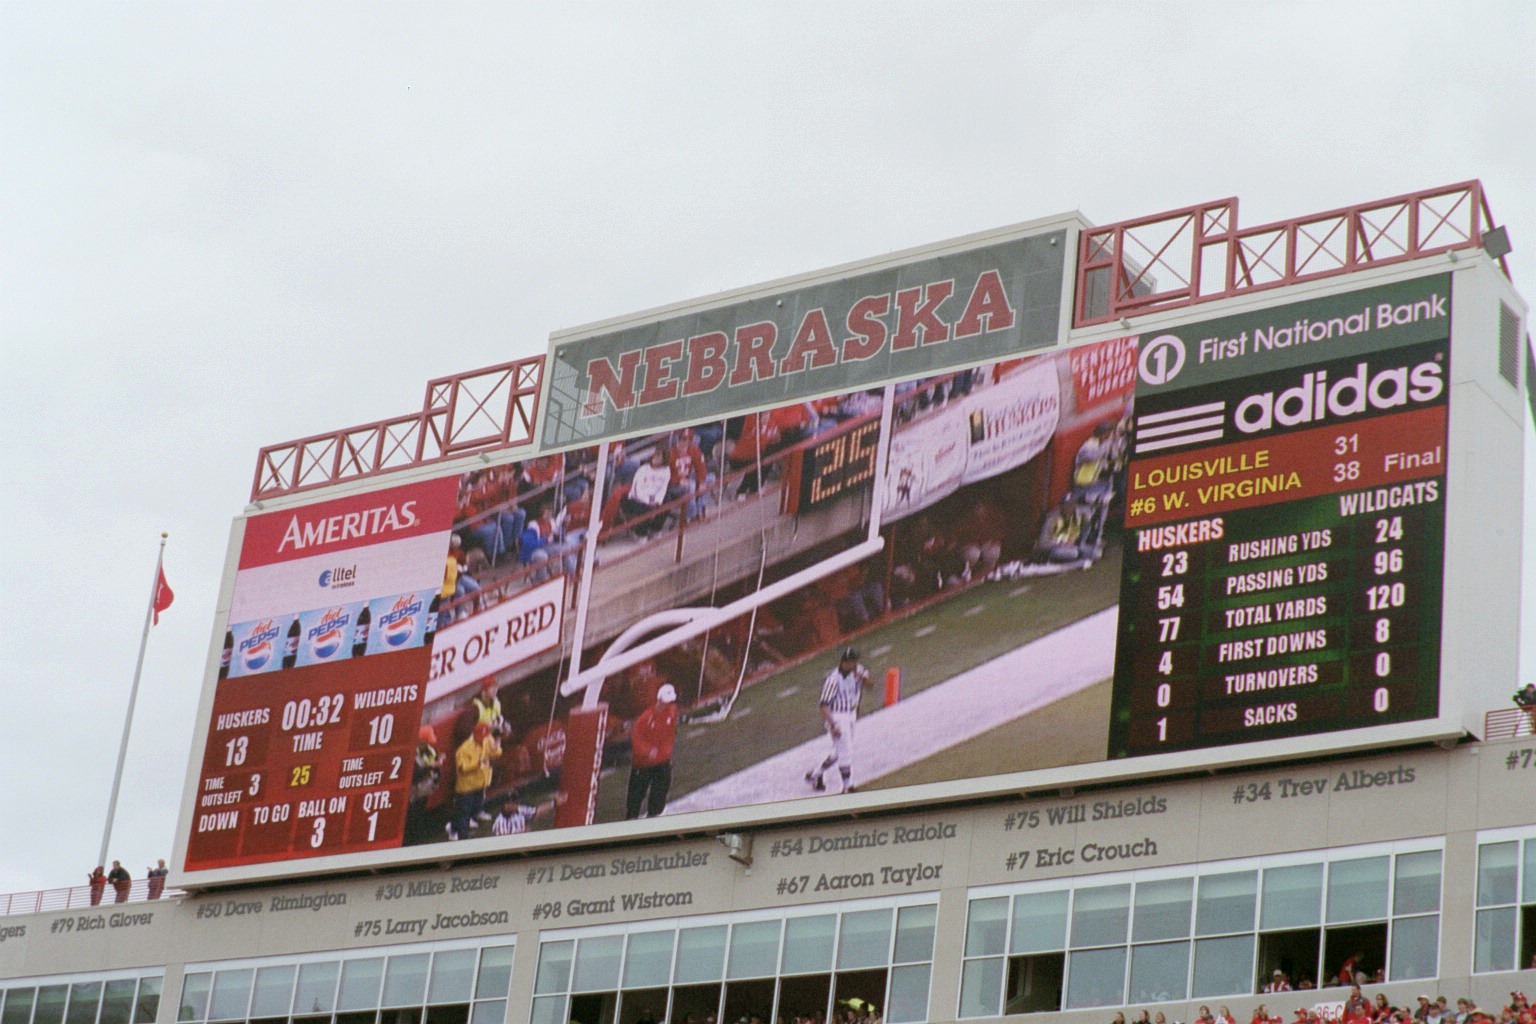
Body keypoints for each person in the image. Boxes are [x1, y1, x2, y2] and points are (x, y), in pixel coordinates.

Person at [805, 647, 870, 794]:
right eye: (852, 661)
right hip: (838, 716)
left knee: (838, 752)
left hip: (852, 714)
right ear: (845, 662)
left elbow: (870, 686)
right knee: (845, 751)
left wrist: (863, 678)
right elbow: (824, 705)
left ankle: (815, 775)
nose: (855, 664)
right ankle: (848, 786)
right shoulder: (833, 680)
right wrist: (833, 724)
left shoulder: (858, 671)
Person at [626, 683, 680, 819]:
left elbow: (670, 733)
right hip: (643, 764)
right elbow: (636, 738)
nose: (667, 704)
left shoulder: (672, 712)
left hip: (662, 761)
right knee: (636, 795)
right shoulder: (646, 717)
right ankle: (631, 818)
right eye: (665, 701)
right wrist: (647, 751)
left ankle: (654, 815)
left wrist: (667, 751)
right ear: (659, 699)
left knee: (660, 791)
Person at [447, 722, 501, 841]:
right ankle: (461, 834)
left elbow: (496, 754)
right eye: (480, 736)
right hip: (467, 786)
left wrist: (496, 747)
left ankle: (456, 828)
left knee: (471, 809)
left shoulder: (488, 740)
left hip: (480, 783)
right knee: (463, 811)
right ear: (474, 734)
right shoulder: (464, 749)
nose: (483, 739)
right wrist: (477, 763)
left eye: (484, 736)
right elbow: (462, 768)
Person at [622, 447, 672, 537]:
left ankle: (655, 529)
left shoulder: (666, 470)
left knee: (667, 501)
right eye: (655, 455)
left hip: (654, 498)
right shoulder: (643, 469)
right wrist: (647, 501)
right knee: (647, 508)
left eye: (659, 456)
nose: (655, 458)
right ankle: (640, 533)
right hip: (637, 498)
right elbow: (637, 489)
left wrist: (657, 501)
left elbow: (663, 488)